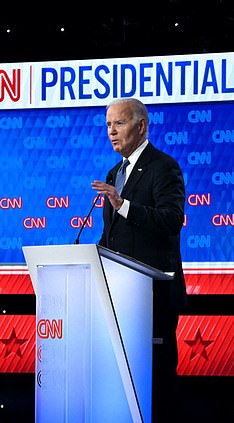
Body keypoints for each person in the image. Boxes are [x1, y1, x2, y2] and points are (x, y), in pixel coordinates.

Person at [91, 98, 187, 422]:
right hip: (119, 300)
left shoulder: (164, 167)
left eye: (118, 123)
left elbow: (172, 220)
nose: (111, 132)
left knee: (156, 385)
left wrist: (124, 205)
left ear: (141, 126)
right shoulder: (114, 172)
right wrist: (93, 257)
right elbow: (112, 236)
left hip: (152, 298)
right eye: (107, 125)